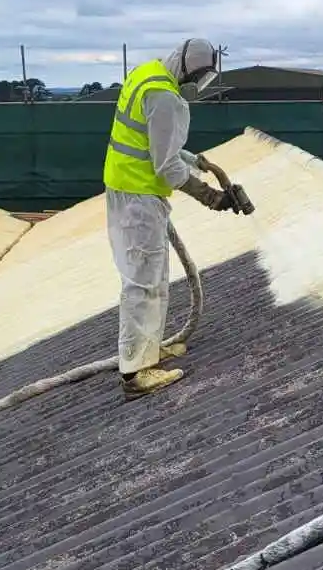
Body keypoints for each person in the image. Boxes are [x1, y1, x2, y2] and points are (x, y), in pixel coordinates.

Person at [103, 37, 246, 400]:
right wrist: (209, 195)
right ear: (184, 69)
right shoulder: (167, 97)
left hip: (128, 189)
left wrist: (199, 161)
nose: (196, 87)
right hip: (139, 198)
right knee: (142, 284)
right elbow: (165, 166)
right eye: (197, 79)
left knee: (155, 278)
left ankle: (150, 350)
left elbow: (153, 140)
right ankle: (135, 372)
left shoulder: (147, 74)